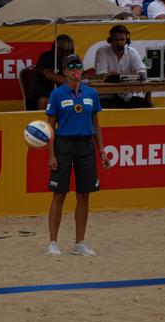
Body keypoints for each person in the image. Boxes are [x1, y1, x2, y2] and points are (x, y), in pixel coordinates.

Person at [45, 54, 110, 257]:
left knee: (84, 195)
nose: (75, 69)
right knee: (59, 195)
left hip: (85, 146)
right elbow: (49, 127)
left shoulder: (91, 93)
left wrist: (101, 150)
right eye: (70, 66)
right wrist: (51, 155)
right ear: (64, 71)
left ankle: (80, 242)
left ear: (82, 70)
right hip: (63, 145)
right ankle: (53, 242)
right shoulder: (57, 94)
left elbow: (96, 125)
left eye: (78, 65)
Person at [94, 25, 150, 109]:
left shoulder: (132, 52)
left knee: (147, 105)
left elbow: (142, 73)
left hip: (127, 97)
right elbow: (100, 76)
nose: (119, 43)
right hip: (107, 97)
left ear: (127, 40)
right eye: (116, 40)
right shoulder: (102, 51)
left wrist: (124, 76)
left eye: (122, 40)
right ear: (110, 39)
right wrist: (109, 75)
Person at [30, 34, 75, 111]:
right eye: (61, 49)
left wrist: (94, 77)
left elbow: (81, 75)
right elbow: (49, 75)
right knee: (45, 102)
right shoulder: (46, 57)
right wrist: (68, 80)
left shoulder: (71, 59)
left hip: (65, 93)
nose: (64, 52)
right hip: (44, 94)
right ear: (55, 49)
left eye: (68, 50)